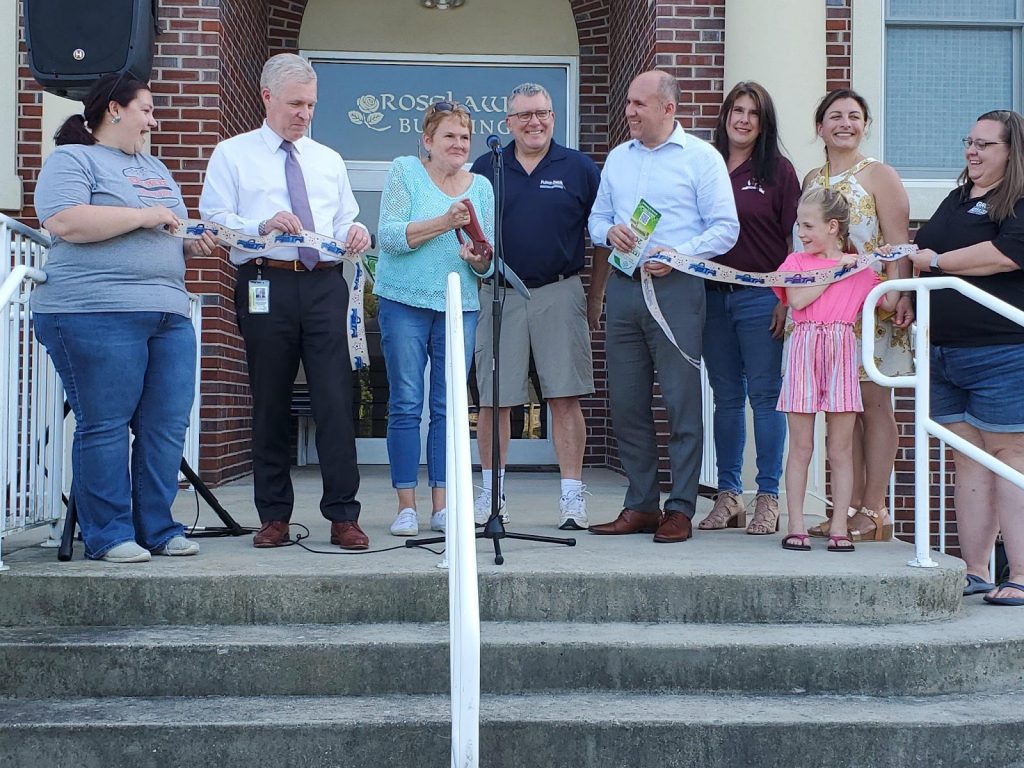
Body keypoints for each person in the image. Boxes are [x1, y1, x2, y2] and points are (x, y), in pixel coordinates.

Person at [32, 73, 216, 563]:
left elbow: (170, 231)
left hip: (169, 312)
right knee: (106, 424)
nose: (153, 122)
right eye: (147, 110)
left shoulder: (155, 168)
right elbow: (65, 221)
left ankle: (158, 528)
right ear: (114, 109)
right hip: (95, 309)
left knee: (165, 426)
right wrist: (143, 215)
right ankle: (110, 535)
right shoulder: (74, 159)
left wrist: (193, 243)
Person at [199, 53, 371, 550]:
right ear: (266, 96)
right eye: (295, 103)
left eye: (311, 105)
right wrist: (261, 225)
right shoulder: (232, 154)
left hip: (324, 284)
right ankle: (273, 515)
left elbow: (343, 219)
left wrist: (354, 231)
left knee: (336, 400)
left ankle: (343, 516)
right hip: (264, 281)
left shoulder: (328, 159)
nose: (304, 114)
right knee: (270, 399)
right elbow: (214, 222)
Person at [587, 70, 739, 543]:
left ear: (668, 108)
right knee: (627, 402)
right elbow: (597, 219)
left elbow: (725, 228)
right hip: (626, 287)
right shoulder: (617, 158)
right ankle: (641, 505)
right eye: (629, 103)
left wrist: (680, 255)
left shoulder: (702, 159)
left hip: (676, 291)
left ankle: (681, 508)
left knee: (680, 402)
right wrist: (608, 232)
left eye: (639, 104)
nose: (629, 112)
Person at [469, 83, 602, 531]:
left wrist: (595, 295)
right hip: (499, 291)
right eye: (524, 115)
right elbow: (473, 232)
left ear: (553, 116)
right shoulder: (488, 166)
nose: (534, 122)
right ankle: (493, 499)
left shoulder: (579, 167)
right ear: (508, 123)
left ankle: (572, 500)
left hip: (560, 291)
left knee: (565, 397)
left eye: (542, 113)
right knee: (495, 401)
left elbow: (599, 237)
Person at [911, 110, 1024, 605]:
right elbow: (921, 247)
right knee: (969, 462)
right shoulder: (956, 198)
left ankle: (1019, 575)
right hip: (944, 354)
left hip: (1001, 352)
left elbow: (1003, 255)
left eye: (985, 144)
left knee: (1010, 459)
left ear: (1011, 151)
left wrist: (937, 263)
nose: (972, 152)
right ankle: (975, 569)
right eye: (969, 142)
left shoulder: (1018, 201)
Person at [375, 100, 494, 538]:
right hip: (403, 301)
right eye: (449, 136)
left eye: (464, 137)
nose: (459, 144)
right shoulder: (405, 171)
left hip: (459, 304)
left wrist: (479, 258)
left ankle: (441, 506)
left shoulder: (480, 186)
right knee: (406, 403)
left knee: (449, 408)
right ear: (427, 141)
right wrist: (445, 222)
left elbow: (487, 264)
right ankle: (406, 506)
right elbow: (388, 237)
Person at [803, 89, 914, 542]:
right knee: (841, 410)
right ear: (819, 127)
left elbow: (899, 240)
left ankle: (875, 510)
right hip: (825, 313)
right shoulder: (813, 178)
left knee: (873, 405)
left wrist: (899, 293)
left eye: (854, 116)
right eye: (835, 116)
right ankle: (848, 509)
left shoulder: (879, 176)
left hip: (873, 309)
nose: (844, 123)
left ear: (865, 124)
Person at [697, 82, 800, 536]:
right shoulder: (704, 164)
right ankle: (728, 495)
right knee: (726, 399)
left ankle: (768, 497)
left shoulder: (778, 171)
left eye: (752, 114)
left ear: (764, 123)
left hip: (762, 299)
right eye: (735, 110)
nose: (742, 119)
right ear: (724, 116)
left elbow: (793, 242)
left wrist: (785, 298)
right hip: (711, 297)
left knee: (764, 398)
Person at [775, 188, 896, 553]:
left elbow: (887, 302)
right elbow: (796, 299)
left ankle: (840, 526)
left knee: (840, 449)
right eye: (799, 225)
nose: (802, 232)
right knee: (800, 446)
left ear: (833, 227)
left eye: (809, 225)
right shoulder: (795, 262)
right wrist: (836, 271)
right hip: (804, 349)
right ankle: (796, 524)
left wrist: (889, 263)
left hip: (842, 352)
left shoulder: (858, 270)